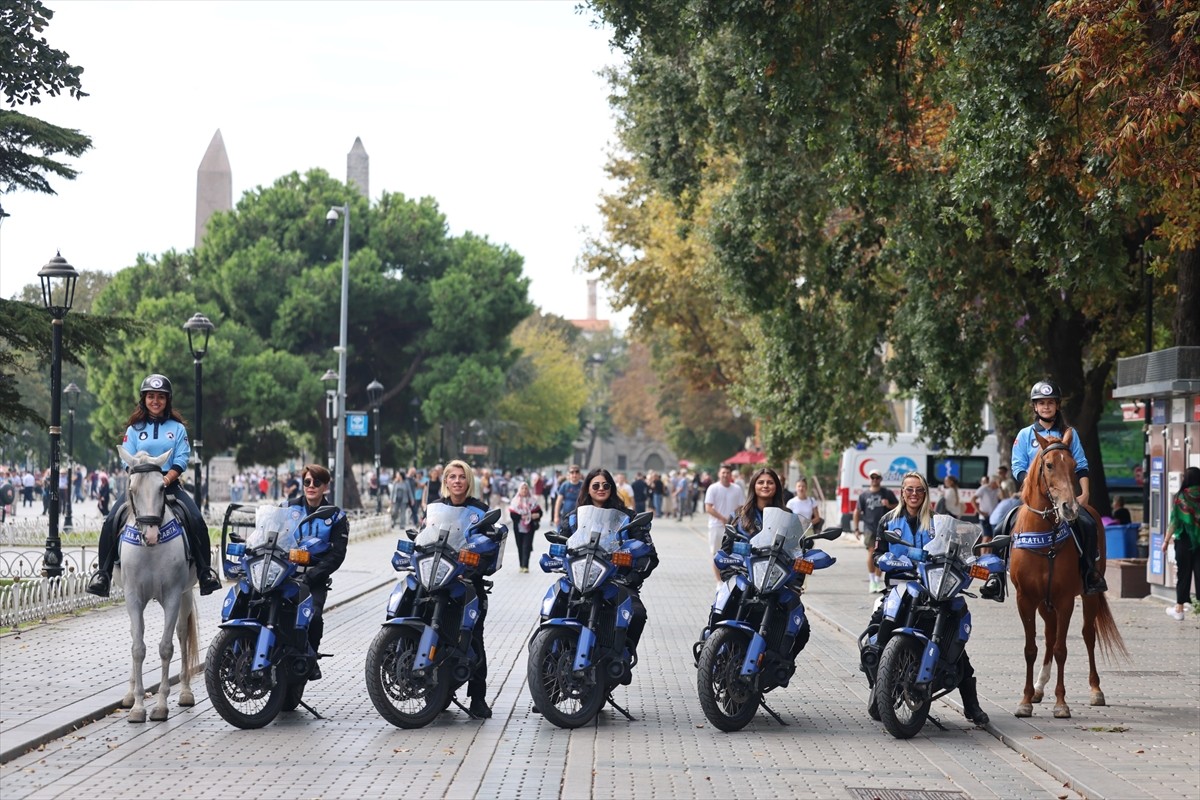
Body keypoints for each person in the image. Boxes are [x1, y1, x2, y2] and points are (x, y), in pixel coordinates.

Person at [87, 374, 222, 598]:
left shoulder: (177, 428)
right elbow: (126, 458)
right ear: (144, 399)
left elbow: (181, 458)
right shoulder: (133, 429)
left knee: (197, 520)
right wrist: (142, 476)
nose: (155, 401)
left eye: (160, 397)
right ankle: (103, 574)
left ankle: (205, 572)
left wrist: (165, 479)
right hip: (140, 489)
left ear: (168, 400)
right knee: (111, 520)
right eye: (151, 396)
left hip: (170, 486)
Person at [872, 471, 989, 725]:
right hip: (900, 586)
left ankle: (971, 706)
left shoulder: (938, 522)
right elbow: (877, 555)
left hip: (935, 587)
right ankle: (878, 689)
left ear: (926, 494)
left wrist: (973, 564)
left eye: (919, 490)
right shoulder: (888, 521)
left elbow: (958, 550)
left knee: (957, 643)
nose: (914, 494)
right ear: (902, 492)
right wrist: (893, 559)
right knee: (878, 627)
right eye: (909, 489)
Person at [1011, 380, 1105, 594]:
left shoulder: (1069, 433)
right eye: (1041, 403)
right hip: (1033, 499)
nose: (1046, 407)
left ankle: (1091, 572)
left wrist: (1086, 493)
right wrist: (1029, 483)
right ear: (1034, 407)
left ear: (1057, 406)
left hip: (1064, 496)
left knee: (1089, 525)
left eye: (1050, 403)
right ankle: (996, 577)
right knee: (1002, 525)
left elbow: (1080, 465)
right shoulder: (1024, 435)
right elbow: (1017, 466)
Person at [427, 459, 502, 718]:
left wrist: (474, 565)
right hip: (436, 580)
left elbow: (489, 545)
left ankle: (478, 698)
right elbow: (424, 535)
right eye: (452, 477)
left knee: (474, 638)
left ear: (468, 481)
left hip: (467, 582)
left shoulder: (479, 510)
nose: (457, 481)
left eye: (462, 477)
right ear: (445, 481)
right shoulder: (435, 508)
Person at [557, 467, 657, 652]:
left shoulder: (629, 518)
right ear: (588, 488)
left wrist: (633, 576)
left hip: (616, 580)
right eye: (595, 485)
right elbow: (561, 545)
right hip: (579, 578)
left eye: (606, 485)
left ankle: (624, 653)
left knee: (637, 614)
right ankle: (547, 655)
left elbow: (649, 555)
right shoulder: (573, 519)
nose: (601, 488)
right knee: (554, 602)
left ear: (611, 488)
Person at [289, 464, 348, 677]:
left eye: (317, 482)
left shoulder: (336, 516)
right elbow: (273, 533)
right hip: (284, 575)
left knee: (312, 617)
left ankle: (310, 659)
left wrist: (311, 576)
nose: (311, 486)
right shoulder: (288, 508)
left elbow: (337, 555)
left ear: (326, 487)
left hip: (314, 580)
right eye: (307, 482)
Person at [1163, 466, 1200, 621]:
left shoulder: (1181, 498)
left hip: (1183, 540)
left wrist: (1166, 541)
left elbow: (1174, 522)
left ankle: (1179, 609)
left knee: (1183, 574)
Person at [853, 469, 897, 593]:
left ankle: (878, 580)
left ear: (880, 479)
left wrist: (889, 505)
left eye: (877, 477)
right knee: (872, 553)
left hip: (884, 527)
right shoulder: (864, 495)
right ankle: (872, 580)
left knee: (882, 555)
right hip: (869, 528)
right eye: (872, 477)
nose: (875, 480)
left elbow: (899, 507)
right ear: (869, 479)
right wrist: (856, 529)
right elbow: (857, 512)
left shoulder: (887, 493)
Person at [704, 465, 745, 583]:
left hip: (733, 528)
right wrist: (722, 518)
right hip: (716, 526)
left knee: (732, 555)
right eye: (723, 473)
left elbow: (741, 507)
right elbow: (708, 507)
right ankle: (719, 582)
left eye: (728, 473)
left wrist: (735, 520)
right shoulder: (713, 488)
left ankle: (730, 580)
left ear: (731, 475)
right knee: (717, 554)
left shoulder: (737, 489)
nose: (725, 475)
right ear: (719, 474)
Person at [508, 480, 542, 573]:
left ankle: (525, 565)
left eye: (526, 488)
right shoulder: (515, 501)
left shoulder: (533, 500)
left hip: (529, 527)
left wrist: (536, 515)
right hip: (518, 527)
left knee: (527, 546)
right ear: (519, 489)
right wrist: (521, 517)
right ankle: (521, 565)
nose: (524, 490)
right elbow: (512, 515)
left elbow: (539, 512)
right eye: (522, 488)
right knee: (520, 545)